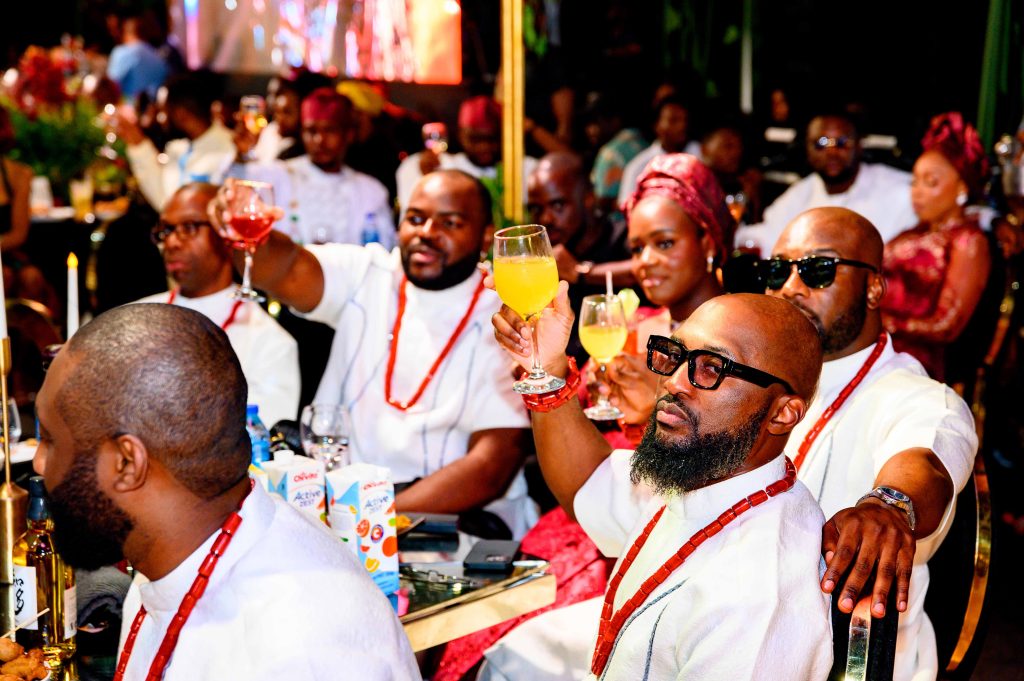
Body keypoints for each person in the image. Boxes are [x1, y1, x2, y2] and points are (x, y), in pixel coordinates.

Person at [31, 303, 420, 680]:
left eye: (50, 440)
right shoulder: (179, 551)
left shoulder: (291, 653)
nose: (38, 463)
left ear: (127, 464)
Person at [482, 292, 832, 680]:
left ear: (782, 414)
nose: (672, 382)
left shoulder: (759, 596)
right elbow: (589, 481)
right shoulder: (711, 479)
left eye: (712, 367)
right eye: (675, 355)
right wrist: (547, 368)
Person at [222, 169, 534, 537]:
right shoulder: (368, 273)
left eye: (450, 223)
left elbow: (490, 469)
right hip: (342, 516)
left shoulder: (505, 314)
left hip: (453, 527)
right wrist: (248, 230)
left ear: (484, 235)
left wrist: (368, 517)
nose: (426, 232)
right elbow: (282, 270)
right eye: (415, 218)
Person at [767, 206, 978, 680]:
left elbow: (927, 459)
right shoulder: (764, 380)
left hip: (851, 659)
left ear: (874, 288)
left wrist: (888, 507)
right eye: (778, 270)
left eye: (818, 269)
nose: (790, 287)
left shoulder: (919, 397)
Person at [132, 183, 300, 426]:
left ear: (226, 234)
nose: (171, 242)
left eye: (189, 227)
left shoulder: (270, 344)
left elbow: (260, 436)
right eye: (167, 230)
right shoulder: (134, 317)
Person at [881, 112, 992, 380]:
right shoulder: (910, 233)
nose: (917, 191)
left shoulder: (968, 240)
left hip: (914, 364)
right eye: (915, 181)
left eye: (930, 182)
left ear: (962, 188)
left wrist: (883, 325)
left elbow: (946, 325)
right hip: (879, 348)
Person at [735, 110, 916, 255]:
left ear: (859, 146)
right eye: (821, 143)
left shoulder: (900, 191)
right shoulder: (800, 195)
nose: (831, 152)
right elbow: (763, 237)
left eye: (841, 142)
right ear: (807, 149)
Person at [233, 88, 395, 248]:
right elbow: (237, 185)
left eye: (329, 130)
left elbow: (383, 251)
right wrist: (241, 154)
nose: (319, 140)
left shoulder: (371, 191)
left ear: (349, 134)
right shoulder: (280, 176)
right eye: (311, 131)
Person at [395, 95, 538, 217]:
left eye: (492, 139)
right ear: (460, 134)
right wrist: (426, 179)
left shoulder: (524, 168)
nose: (484, 146)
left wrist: (533, 128)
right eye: (475, 139)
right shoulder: (443, 165)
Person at [115, 72, 236, 211]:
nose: (159, 119)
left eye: (163, 112)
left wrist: (139, 144)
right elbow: (165, 200)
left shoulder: (230, 150)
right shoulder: (179, 146)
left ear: (181, 114)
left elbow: (174, 208)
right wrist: (137, 144)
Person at [616, 93, 700, 210]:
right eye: (674, 120)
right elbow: (628, 207)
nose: (682, 126)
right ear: (657, 125)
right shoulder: (639, 167)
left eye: (685, 120)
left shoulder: (700, 156)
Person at [581, 93, 646, 218]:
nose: (590, 130)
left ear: (614, 120)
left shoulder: (609, 154)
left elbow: (601, 202)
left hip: (620, 222)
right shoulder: (645, 143)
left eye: (596, 123)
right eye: (588, 124)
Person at [105, 9, 170, 101]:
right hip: (154, 106)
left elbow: (109, 87)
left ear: (125, 32)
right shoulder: (157, 56)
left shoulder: (121, 53)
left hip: (129, 107)